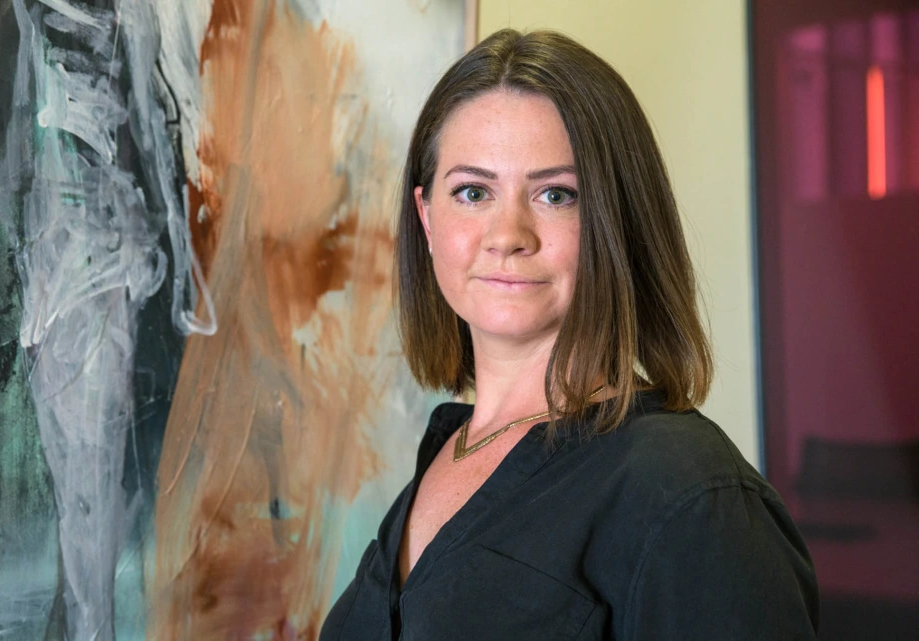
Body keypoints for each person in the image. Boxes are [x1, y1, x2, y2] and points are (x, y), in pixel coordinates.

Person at [319, 29, 819, 641]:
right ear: (426, 217)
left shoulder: (692, 497)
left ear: (619, 218)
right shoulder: (448, 453)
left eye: (556, 195)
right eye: (472, 192)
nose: (508, 235)